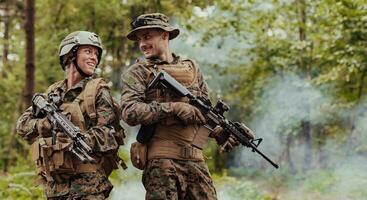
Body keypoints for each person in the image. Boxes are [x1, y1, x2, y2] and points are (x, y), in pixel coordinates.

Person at [121, 13, 246, 200]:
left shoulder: (192, 68)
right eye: (139, 39)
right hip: (162, 164)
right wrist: (174, 108)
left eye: (147, 37)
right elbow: (130, 113)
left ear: (165, 35)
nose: (142, 44)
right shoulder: (138, 72)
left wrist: (221, 131)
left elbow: (202, 113)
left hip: (195, 161)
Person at [16, 31, 125, 200]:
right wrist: (45, 124)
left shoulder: (98, 91)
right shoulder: (53, 92)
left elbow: (109, 136)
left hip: (88, 189)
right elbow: (22, 126)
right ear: (70, 54)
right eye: (88, 51)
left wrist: (77, 139)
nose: (94, 58)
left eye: (96, 54)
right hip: (55, 188)